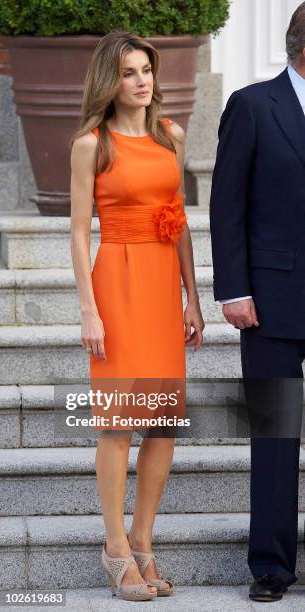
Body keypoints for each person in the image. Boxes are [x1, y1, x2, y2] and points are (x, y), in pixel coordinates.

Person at [70, 31, 204, 601]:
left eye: (146, 69)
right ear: (110, 80)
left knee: (164, 423)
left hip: (161, 286)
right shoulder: (90, 144)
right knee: (118, 422)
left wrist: (193, 298)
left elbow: (179, 224)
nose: (142, 80)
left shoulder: (170, 136)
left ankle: (143, 540)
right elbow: (78, 232)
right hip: (117, 284)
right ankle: (115, 550)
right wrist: (89, 310)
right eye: (128, 72)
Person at [210, 2, 305, 604]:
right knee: (274, 434)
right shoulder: (251, 105)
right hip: (270, 299)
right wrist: (234, 289)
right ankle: (269, 566)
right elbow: (227, 206)